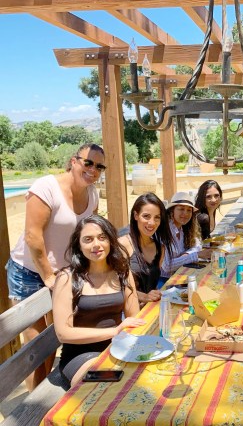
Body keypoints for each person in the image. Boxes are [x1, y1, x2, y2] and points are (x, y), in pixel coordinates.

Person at [6, 143, 105, 390]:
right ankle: (35, 404)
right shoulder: (46, 187)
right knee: (38, 348)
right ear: (73, 161)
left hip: (64, 273)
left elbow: (90, 231)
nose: (93, 170)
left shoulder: (92, 194)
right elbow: (33, 237)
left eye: (100, 166)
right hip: (30, 273)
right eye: (88, 162)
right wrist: (49, 277)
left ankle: (43, 396)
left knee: (55, 339)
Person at [53, 215, 145, 387]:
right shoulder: (68, 278)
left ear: (110, 240)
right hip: (81, 356)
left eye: (102, 237)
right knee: (107, 384)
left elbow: (134, 319)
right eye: (88, 239)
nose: (96, 244)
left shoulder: (122, 272)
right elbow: (63, 333)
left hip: (117, 349)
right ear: (79, 245)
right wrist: (114, 331)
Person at [119, 193, 174, 303]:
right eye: (146, 216)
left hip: (150, 308)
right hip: (126, 313)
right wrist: (144, 297)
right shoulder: (123, 244)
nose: (152, 223)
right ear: (136, 215)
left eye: (157, 217)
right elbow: (116, 285)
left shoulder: (160, 248)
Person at [160, 192, 212, 277]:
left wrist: (186, 254)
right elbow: (166, 266)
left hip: (180, 274)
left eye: (189, 210)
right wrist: (195, 255)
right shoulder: (165, 230)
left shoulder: (185, 227)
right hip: (163, 280)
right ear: (172, 210)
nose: (186, 213)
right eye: (181, 209)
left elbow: (198, 245)